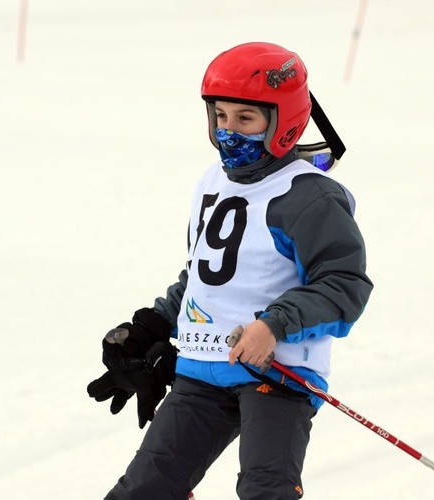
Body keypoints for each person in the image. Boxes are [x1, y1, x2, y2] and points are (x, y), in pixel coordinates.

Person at [87, 41, 373, 500]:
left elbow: (343, 286)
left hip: (277, 375)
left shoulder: (308, 196)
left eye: (246, 118)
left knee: (265, 490)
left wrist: (273, 325)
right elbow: (205, 276)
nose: (229, 131)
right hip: (203, 371)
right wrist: (151, 325)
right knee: (143, 490)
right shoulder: (212, 182)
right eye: (220, 116)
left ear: (284, 122)